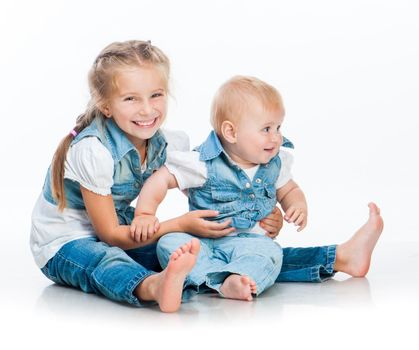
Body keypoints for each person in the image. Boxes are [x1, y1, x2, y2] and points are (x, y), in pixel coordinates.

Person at [29, 40, 284, 313]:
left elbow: (211, 194)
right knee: (105, 260)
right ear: (105, 105)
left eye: (156, 95)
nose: (147, 110)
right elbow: (110, 236)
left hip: (122, 226)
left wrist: (263, 212)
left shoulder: (167, 144)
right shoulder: (94, 150)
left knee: (201, 248)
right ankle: (153, 286)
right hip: (65, 241)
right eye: (131, 99)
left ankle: (253, 270)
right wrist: (180, 223)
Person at [131, 75, 384, 302]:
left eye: (278, 127)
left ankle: (231, 280)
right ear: (231, 132)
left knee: (269, 254)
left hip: (250, 243)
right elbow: (161, 180)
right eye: (266, 129)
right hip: (201, 242)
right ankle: (222, 279)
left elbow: (289, 190)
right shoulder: (202, 162)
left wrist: (297, 205)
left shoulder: (276, 163)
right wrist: (145, 214)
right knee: (169, 243)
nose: (275, 137)